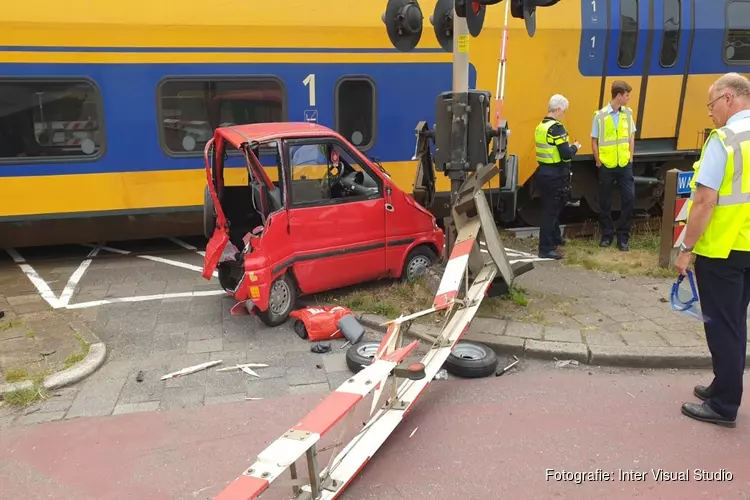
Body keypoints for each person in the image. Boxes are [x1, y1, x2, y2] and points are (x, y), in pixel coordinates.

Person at [675, 72, 750, 428]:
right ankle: (724, 383)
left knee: (722, 327)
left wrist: (686, 248)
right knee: (735, 323)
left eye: (711, 104)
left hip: (723, 251)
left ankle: (723, 405)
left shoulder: (725, 140)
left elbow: (705, 201)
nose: (710, 112)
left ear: (729, 99)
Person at [591, 80, 636, 251]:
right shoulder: (600, 115)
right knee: (605, 202)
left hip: (624, 164)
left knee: (629, 199)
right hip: (607, 165)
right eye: (627, 95)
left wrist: (631, 157)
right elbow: (594, 140)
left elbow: (631, 136)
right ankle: (607, 235)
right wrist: (598, 161)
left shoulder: (628, 114)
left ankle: (623, 237)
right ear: (619, 95)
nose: (628, 98)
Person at [534, 94, 580, 259]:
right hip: (556, 174)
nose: (564, 115)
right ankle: (545, 248)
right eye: (564, 111)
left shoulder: (541, 127)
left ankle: (555, 238)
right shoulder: (556, 129)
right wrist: (575, 147)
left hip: (544, 172)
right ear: (559, 109)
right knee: (551, 212)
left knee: (550, 208)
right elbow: (566, 155)